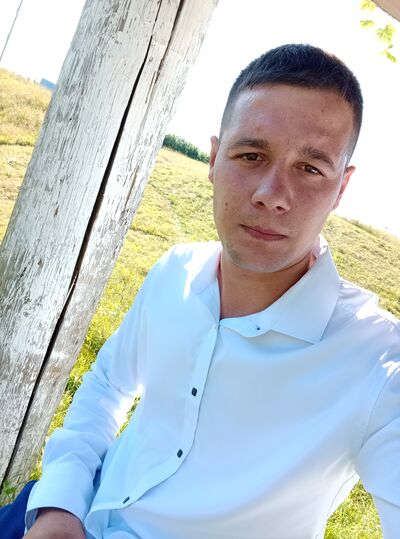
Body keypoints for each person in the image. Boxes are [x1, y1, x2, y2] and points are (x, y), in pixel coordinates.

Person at [12, 43, 400, 537]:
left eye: (309, 168)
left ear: (340, 188)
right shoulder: (175, 271)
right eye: (251, 155)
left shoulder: (377, 367)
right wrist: (60, 502)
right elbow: (109, 383)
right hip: (73, 510)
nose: (271, 195)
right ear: (214, 159)